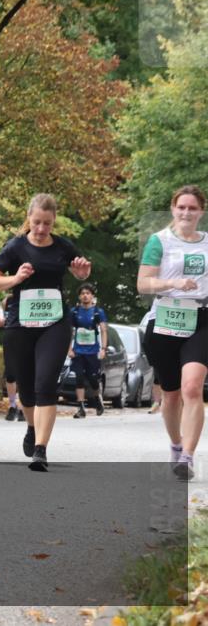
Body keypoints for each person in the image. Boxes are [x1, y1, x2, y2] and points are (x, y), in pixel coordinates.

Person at [0, 193, 92, 471]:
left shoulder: (63, 247)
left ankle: (41, 449)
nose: (42, 229)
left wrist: (82, 274)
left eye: (47, 223)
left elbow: (80, 272)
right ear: (28, 219)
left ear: (54, 221)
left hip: (54, 323)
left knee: (46, 384)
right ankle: (32, 427)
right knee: (27, 389)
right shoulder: (15, 247)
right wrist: (16, 278)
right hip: (20, 324)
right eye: (37, 223)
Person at [136, 185, 207, 481]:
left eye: (193, 208)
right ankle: (176, 445)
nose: (187, 213)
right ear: (173, 209)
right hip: (165, 318)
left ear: (201, 211)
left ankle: (188, 457)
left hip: (201, 318)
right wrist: (173, 283)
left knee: (192, 388)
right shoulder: (159, 241)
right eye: (182, 207)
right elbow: (143, 284)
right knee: (172, 394)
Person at [67, 283, 109, 419]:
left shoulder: (98, 312)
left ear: (92, 296)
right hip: (78, 351)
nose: (85, 296)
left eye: (88, 293)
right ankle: (81, 408)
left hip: (92, 351)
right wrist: (69, 349)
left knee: (92, 379)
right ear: (79, 296)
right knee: (79, 378)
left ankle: (98, 400)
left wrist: (103, 349)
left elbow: (103, 330)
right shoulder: (74, 312)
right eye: (83, 293)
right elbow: (70, 332)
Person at [0, 294, 24, 422]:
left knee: (25, 373)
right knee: (10, 374)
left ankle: (23, 407)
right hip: (10, 337)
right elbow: (6, 318)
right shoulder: (8, 300)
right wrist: (0, 321)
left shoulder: (31, 295)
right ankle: (12, 406)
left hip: (27, 336)